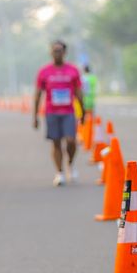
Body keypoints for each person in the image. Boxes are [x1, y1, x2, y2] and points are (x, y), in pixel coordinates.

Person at [33, 40, 85, 186]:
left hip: (68, 112)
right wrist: (35, 116)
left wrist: (83, 113)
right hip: (51, 112)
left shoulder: (73, 70)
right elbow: (38, 95)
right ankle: (59, 173)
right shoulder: (44, 71)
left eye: (60, 50)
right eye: (54, 50)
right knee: (56, 143)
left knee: (71, 141)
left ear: (64, 52)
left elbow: (79, 92)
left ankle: (70, 164)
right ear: (50, 52)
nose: (57, 53)